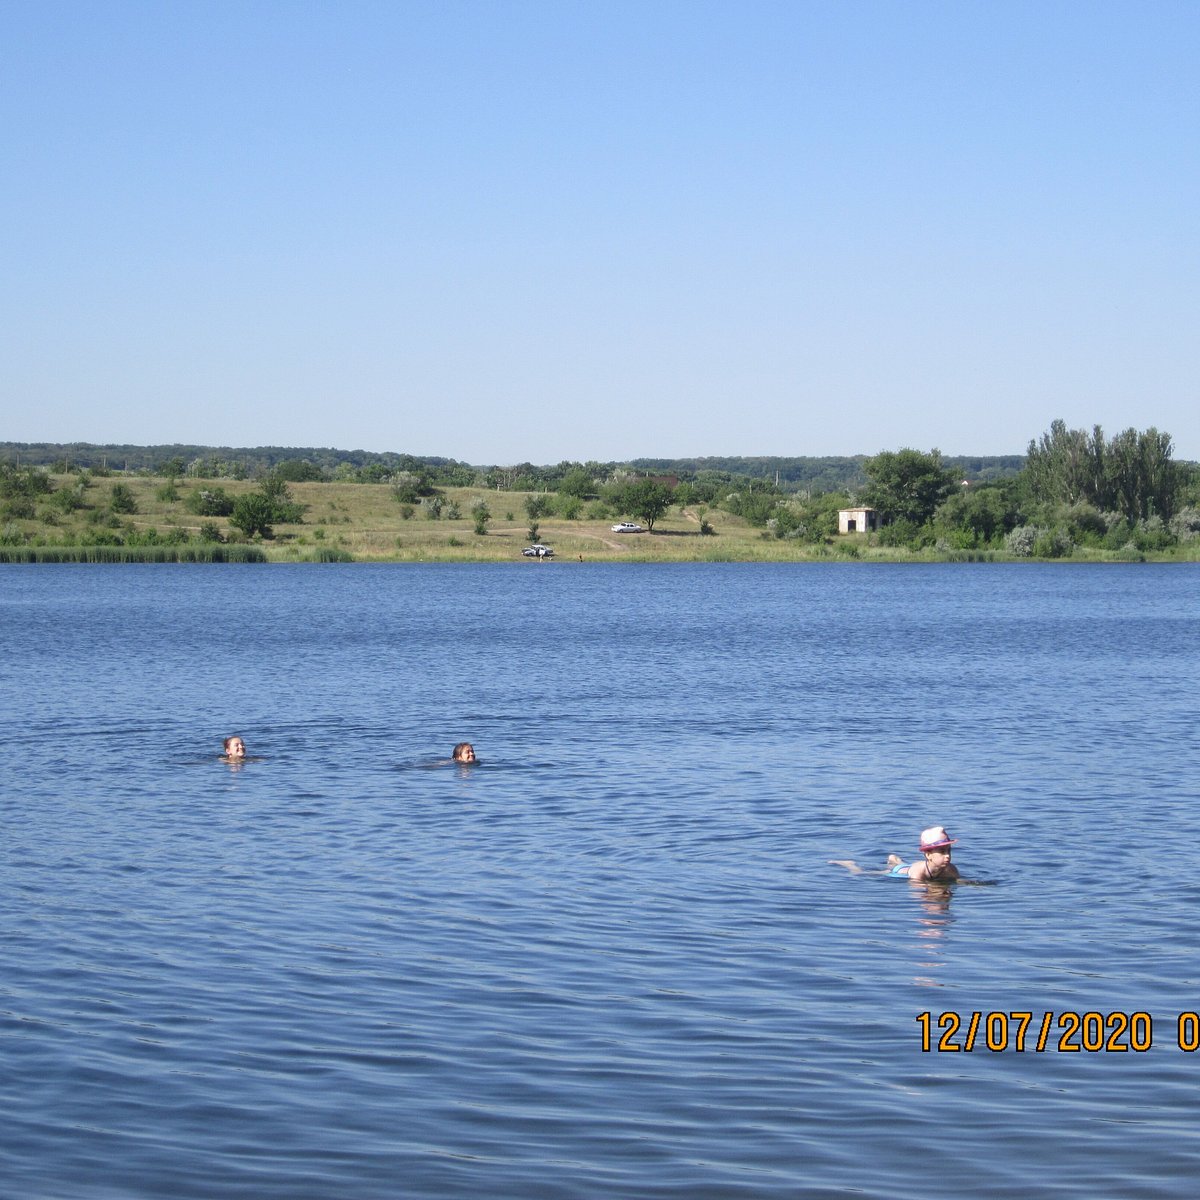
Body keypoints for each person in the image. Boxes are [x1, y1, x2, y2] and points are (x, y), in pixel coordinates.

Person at [830, 825, 961, 882]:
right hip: (901, 871)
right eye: (942, 852)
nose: (947, 856)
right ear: (928, 855)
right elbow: (918, 889)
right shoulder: (920, 871)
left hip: (909, 866)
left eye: (949, 851)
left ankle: (895, 860)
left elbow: (958, 881)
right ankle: (850, 864)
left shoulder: (951, 869)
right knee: (860, 873)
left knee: (905, 865)